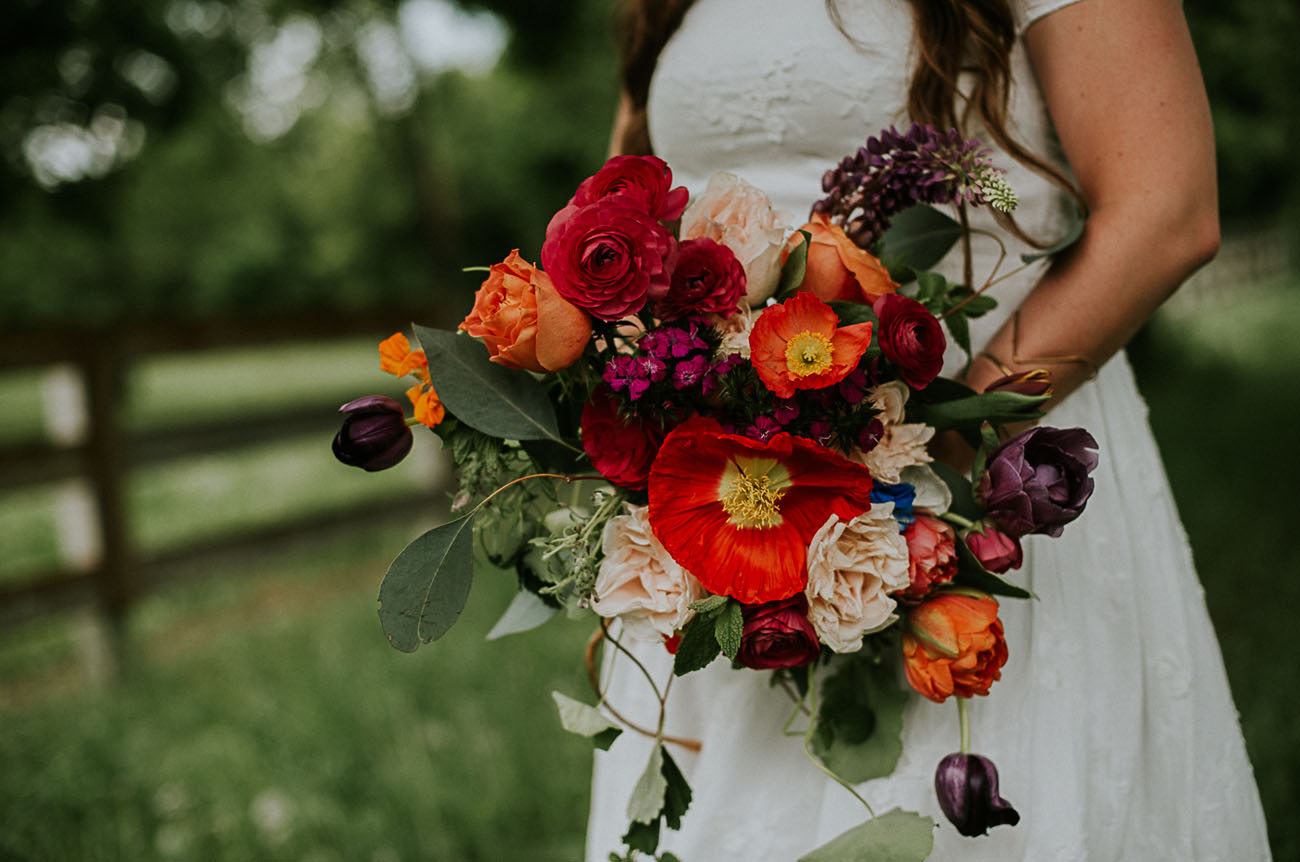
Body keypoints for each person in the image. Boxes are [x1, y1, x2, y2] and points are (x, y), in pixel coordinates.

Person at [586, 1, 1273, 860]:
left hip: (974, 453)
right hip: (722, 495)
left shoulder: (962, 155)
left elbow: (1161, 208)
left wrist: (922, 458)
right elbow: (631, 193)